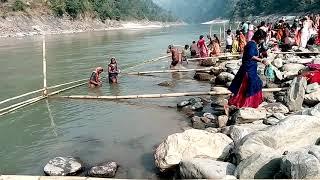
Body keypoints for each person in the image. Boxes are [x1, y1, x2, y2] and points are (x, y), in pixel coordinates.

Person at [228, 29, 268, 109]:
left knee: (252, 84)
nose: (262, 40)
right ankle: (246, 103)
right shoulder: (251, 44)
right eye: (262, 38)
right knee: (251, 85)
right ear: (258, 37)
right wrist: (261, 60)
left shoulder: (252, 44)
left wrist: (261, 55)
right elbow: (250, 56)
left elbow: (252, 54)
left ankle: (248, 103)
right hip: (248, 68)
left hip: (251, 67)